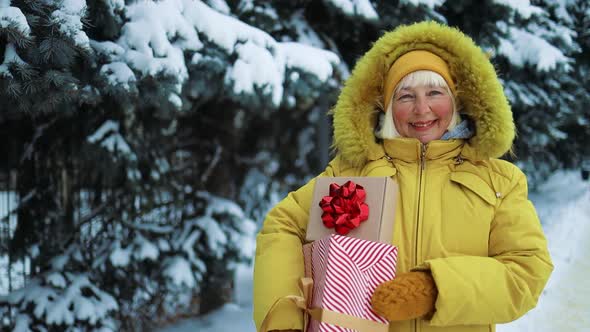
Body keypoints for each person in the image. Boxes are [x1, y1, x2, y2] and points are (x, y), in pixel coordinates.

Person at [253, 21, 553, 332]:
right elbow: (283, 226)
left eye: (435, 92)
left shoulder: (498, 180)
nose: (422, 109)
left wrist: (435, 289)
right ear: (388, 107)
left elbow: (526, 271)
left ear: (457, 101)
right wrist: (283, 318)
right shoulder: (352, 173)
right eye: (406, 96)